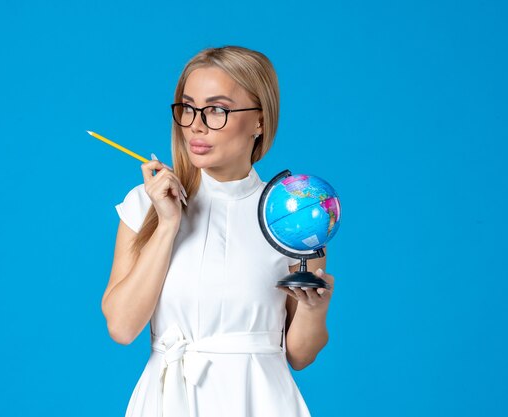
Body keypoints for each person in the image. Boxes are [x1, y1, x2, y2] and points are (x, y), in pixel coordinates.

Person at [101, 45, 335, 417]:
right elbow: (122, 326)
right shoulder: (146, 203)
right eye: (188, 107)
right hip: (167, 401)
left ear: (260, 120)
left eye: (216, 110)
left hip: (259, 402)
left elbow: (300, 355)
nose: (195, 123)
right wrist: (168, 224)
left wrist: (314, 311)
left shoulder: (292, 215)